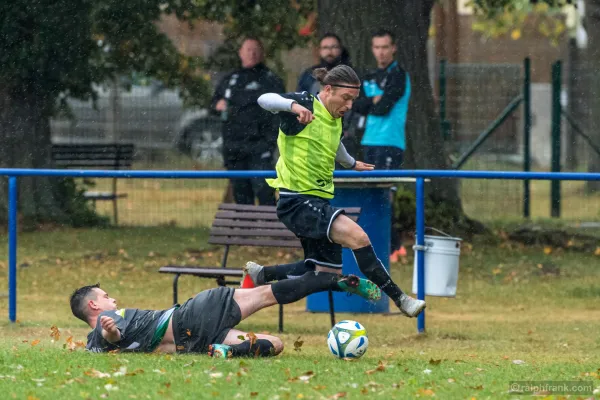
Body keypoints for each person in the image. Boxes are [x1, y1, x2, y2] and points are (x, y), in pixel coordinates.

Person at [254, 65, 425, 317]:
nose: (349, 105)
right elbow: (264, 99)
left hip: (317, 199)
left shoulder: (335, 118)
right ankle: (401, 299)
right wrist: (292, 106)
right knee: (359, 238)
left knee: (322, 276)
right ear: (328, 89)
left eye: (354, 100)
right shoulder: (305, 104)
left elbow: (335, 145)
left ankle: (262, 278)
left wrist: (351, 163)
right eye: (346, 98)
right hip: (297, 200)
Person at [70, 272, 378, 357]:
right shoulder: (108, 324)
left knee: (272, 330)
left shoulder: (97, 340)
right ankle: (333, 281)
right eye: (106, 297)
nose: (114, 299)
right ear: (95, 307)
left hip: (194, 332)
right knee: (270, 307)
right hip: (196, 320)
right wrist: (110, 330)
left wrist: (111, 334)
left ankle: (223, 352)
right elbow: (112, 334)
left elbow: (111, 339)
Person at [352, 29, 411, 262]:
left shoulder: (399, 75)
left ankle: (393, 246)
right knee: (369, 192)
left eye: (385, 47)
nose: (381, 52)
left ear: (393, 48)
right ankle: (384, 244)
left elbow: (382, 107)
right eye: (377, 47)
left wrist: (372, 102)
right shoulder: (369, 75)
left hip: (390, 142)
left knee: (386, 193)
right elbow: (359, 105)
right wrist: (370, 102)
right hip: (369, 140)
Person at [211, 37, 285, 206]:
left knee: (264, 190)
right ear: (240, 53)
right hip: (234, 147)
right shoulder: (230, 80)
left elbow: (280, 112)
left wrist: (269, 141)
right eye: (248, 49)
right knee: (241, 192)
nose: (252, 53)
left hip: (260, 147)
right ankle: (247, 231)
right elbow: (214, 104)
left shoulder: (270, 80)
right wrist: (217, 106)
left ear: (262, 54)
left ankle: (269, 229)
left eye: (255, 50)